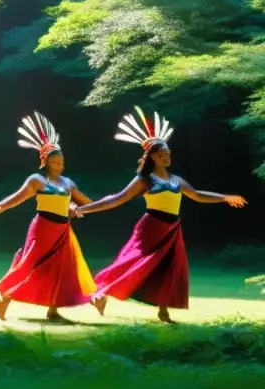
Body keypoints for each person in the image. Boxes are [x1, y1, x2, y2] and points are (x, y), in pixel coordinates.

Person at [79, 107, 247, 323]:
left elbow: (196, 195)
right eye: (162, 154)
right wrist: (84, 208)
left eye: (168, 153)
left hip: (172, 228)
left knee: (170, 267)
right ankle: (101, 295)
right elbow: (117, 198)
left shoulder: (176, 180)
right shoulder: (145, 180)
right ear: (152, 156)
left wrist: (224, 197)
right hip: (151, 228)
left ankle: (164, 311)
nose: (167, 156)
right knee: (133, 264)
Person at [0, 112, 96, 321]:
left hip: (63, 229)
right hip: (43, 228)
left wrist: (94, 205)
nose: (59, 165)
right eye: (55, 161)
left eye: (61, 161)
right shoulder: (37, 180)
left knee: (61, 269)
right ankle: (4, 299)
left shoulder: (67, 183)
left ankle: (53, 310)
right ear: (45, 162)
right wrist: (1, 206)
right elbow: (18, 197)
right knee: (30, 264)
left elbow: (85, 202)